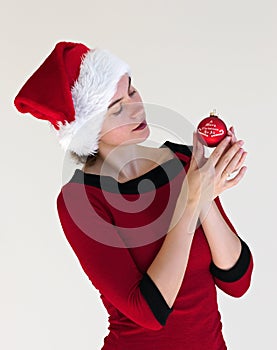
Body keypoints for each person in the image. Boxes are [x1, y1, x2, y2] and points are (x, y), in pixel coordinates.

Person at [14, 41, 254, 350]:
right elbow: (149, 311)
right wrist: (192, 200)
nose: (136, 108)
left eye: (132, 91)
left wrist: (204, 194)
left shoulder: (184, 162)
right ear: (90, 130)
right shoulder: (80, 201)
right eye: (117, 109)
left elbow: (237, 282)